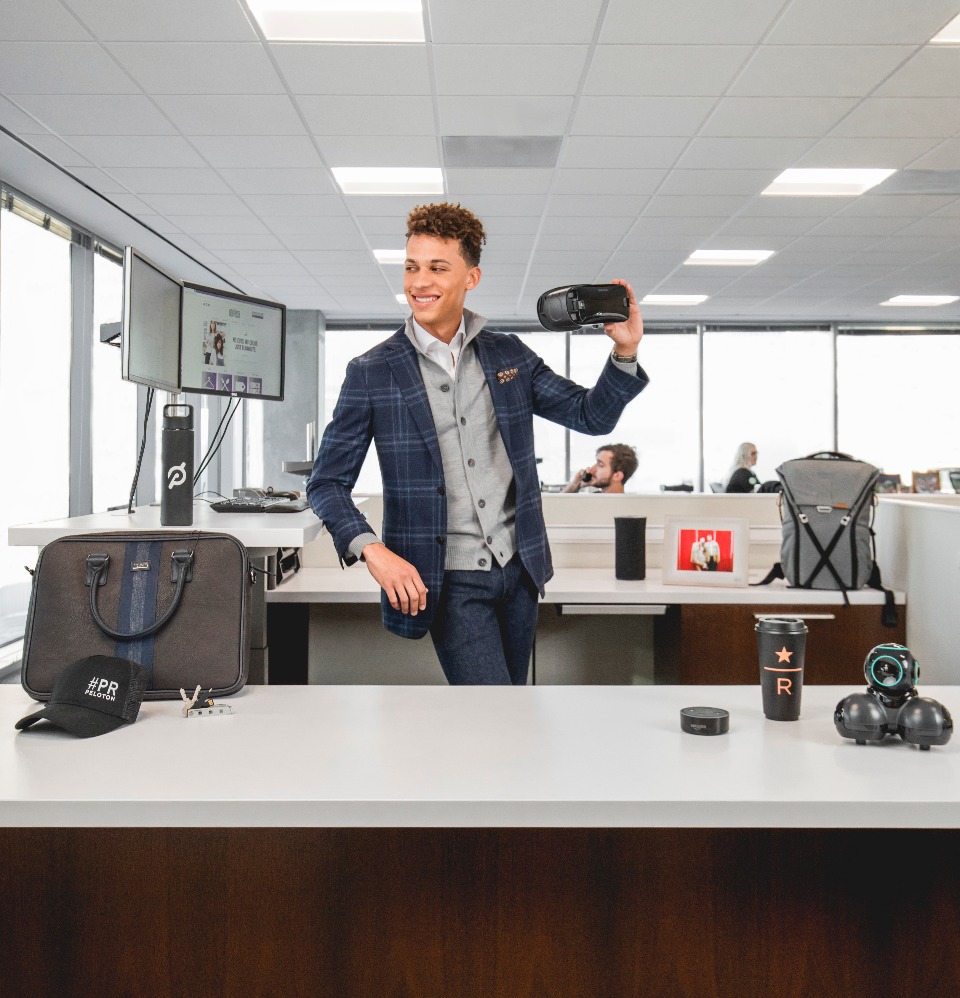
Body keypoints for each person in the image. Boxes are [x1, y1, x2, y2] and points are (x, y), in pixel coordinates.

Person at [307, 201, 649, 686]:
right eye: (411, 267)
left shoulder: (508, 354)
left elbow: (590, 415)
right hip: (448, 579)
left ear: (471, 277)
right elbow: (326, 483)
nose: (419, 282)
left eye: (437, 268)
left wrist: (626, 349)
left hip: (520, 570)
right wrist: (373, 551)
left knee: (509, 709)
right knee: (493, 708)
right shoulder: (372, 372)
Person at [564, 443, 638, 493]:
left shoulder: (630, 506)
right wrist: (575, 484)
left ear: (617, 476)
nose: (591, 469)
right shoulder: (592, 499)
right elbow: (558, 507)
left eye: (600, 465)